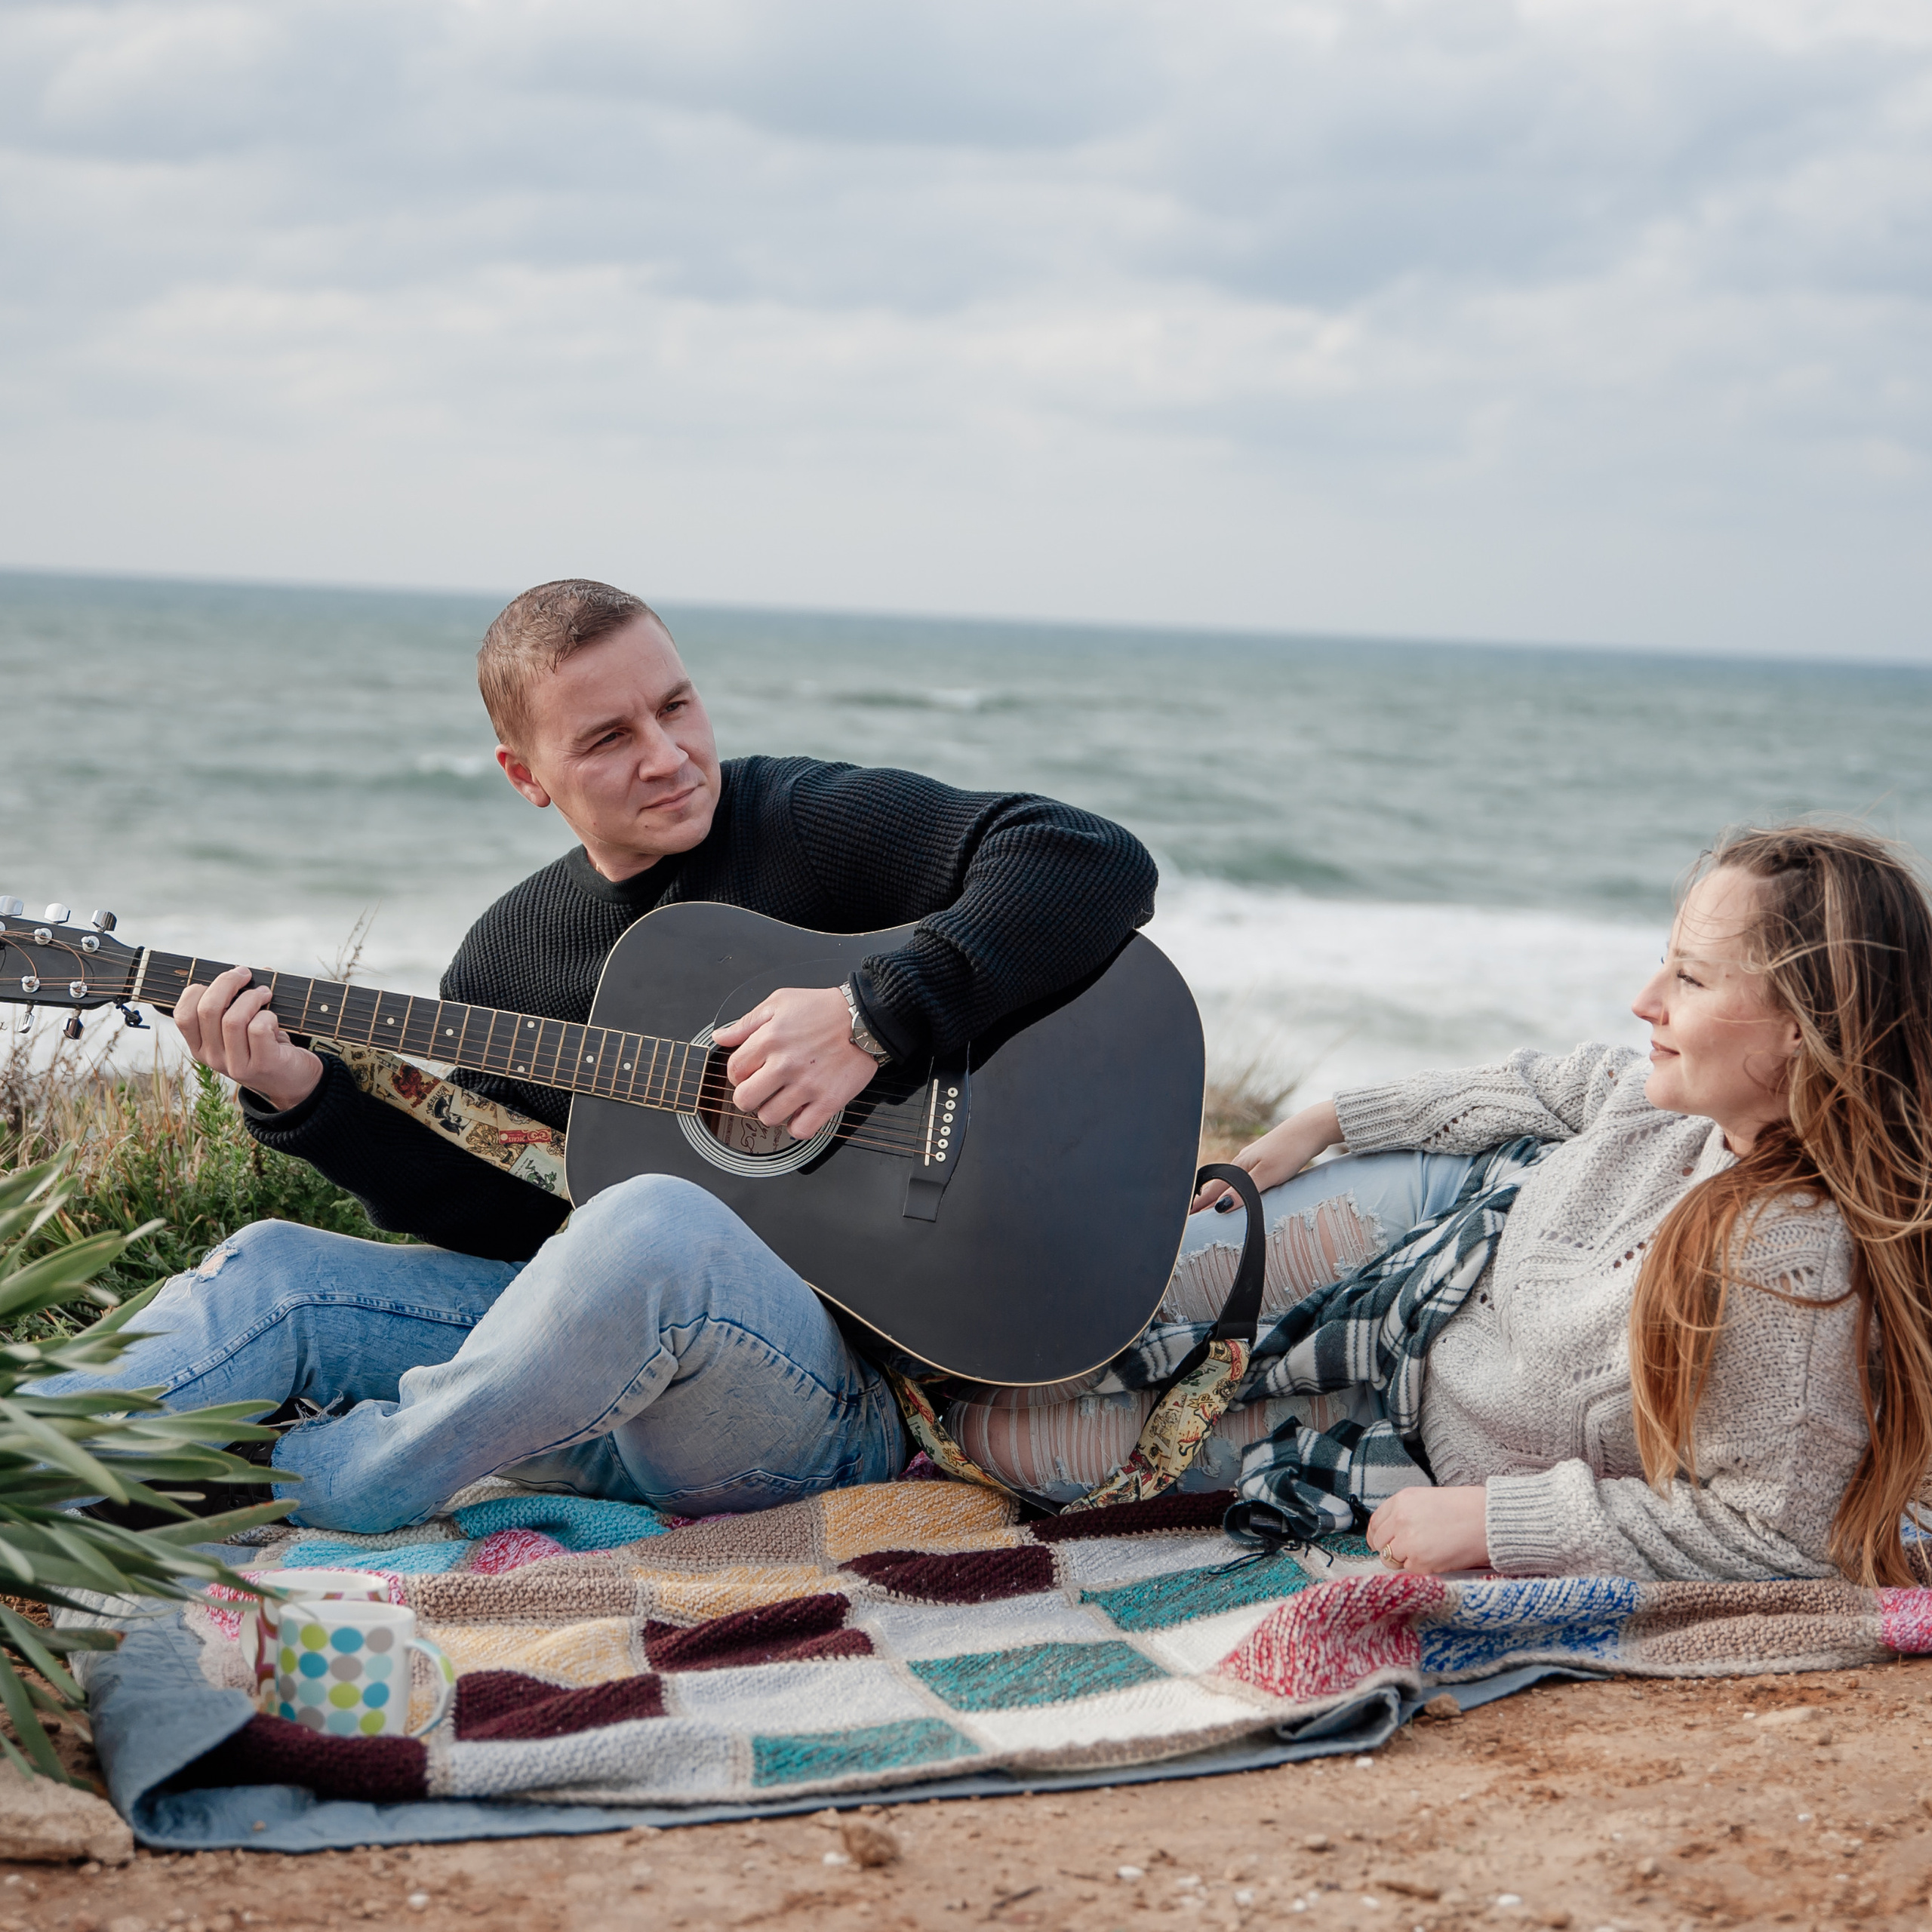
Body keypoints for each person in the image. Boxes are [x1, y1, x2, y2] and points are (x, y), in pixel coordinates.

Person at [41, 580, 1156, 1533]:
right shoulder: (508, 958)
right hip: (588, 1396)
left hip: (820, 1411)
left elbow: (1086, 859)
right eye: (610, 738)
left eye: (676, 707)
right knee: (276, 1271)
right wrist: (305, 1097)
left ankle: (326, 1482)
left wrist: (869, 1019)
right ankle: (36, 1479)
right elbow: (515, 1229)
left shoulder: (801, 823)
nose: (669, 758)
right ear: (527, 776)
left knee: (653, 1224)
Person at [950, 825, 1932, 1587]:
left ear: (1810, 1028)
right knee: (1068, 1294)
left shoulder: (1789, 1262)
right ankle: (877, 1309)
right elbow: (1545, 1085)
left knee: (1000, 1443)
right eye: (1662, 959)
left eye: (1692, 977)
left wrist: (1494, 1524)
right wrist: (1330, 1119)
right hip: (1438, 1238)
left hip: (1411, 1423)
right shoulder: (1667, 1103)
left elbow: (1778, 1534)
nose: (1645, 1000)